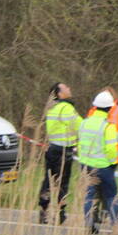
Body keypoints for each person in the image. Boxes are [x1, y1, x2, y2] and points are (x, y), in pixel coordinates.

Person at [78, 91, 118, 234]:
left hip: (86, 165)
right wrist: (112, 162)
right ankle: (116, 225)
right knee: (111, 196)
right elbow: (111, 149)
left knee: (89, 195)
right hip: (104, 167)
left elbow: (80, 144)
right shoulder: (108, 126)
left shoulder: (84, 123)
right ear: (110, 108)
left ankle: (89, 224)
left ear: (95, 106)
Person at [38, 82, 81, 224]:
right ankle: (61, 213)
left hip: (52, 149)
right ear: (59, 94)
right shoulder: (66, 107)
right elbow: (79, 126)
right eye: (66, 88)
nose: (69, 88)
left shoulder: (52, 108)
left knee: (48, 181)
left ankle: (43, 211)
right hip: (64, 151)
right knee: (62, 183)